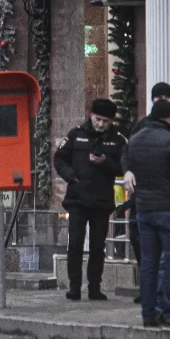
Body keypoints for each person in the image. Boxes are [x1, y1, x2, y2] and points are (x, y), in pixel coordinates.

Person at [122, 100, 170, 327]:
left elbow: (126, 162)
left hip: (144, 211)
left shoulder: (135, 141)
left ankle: (148, 313)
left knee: (149, 263)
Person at [54, 98, 127, 301]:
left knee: (97, 245)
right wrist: (72, 176)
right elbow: (59, 158)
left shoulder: (117, 139)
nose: (101, 124)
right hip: (77, 198)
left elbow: (125, 166)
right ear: (91, 116)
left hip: (101, 200)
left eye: (105, 121)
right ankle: (74, 286)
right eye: (98, 119)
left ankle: (95, 286)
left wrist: (105, 163)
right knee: (75, 243)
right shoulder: (76, 135)